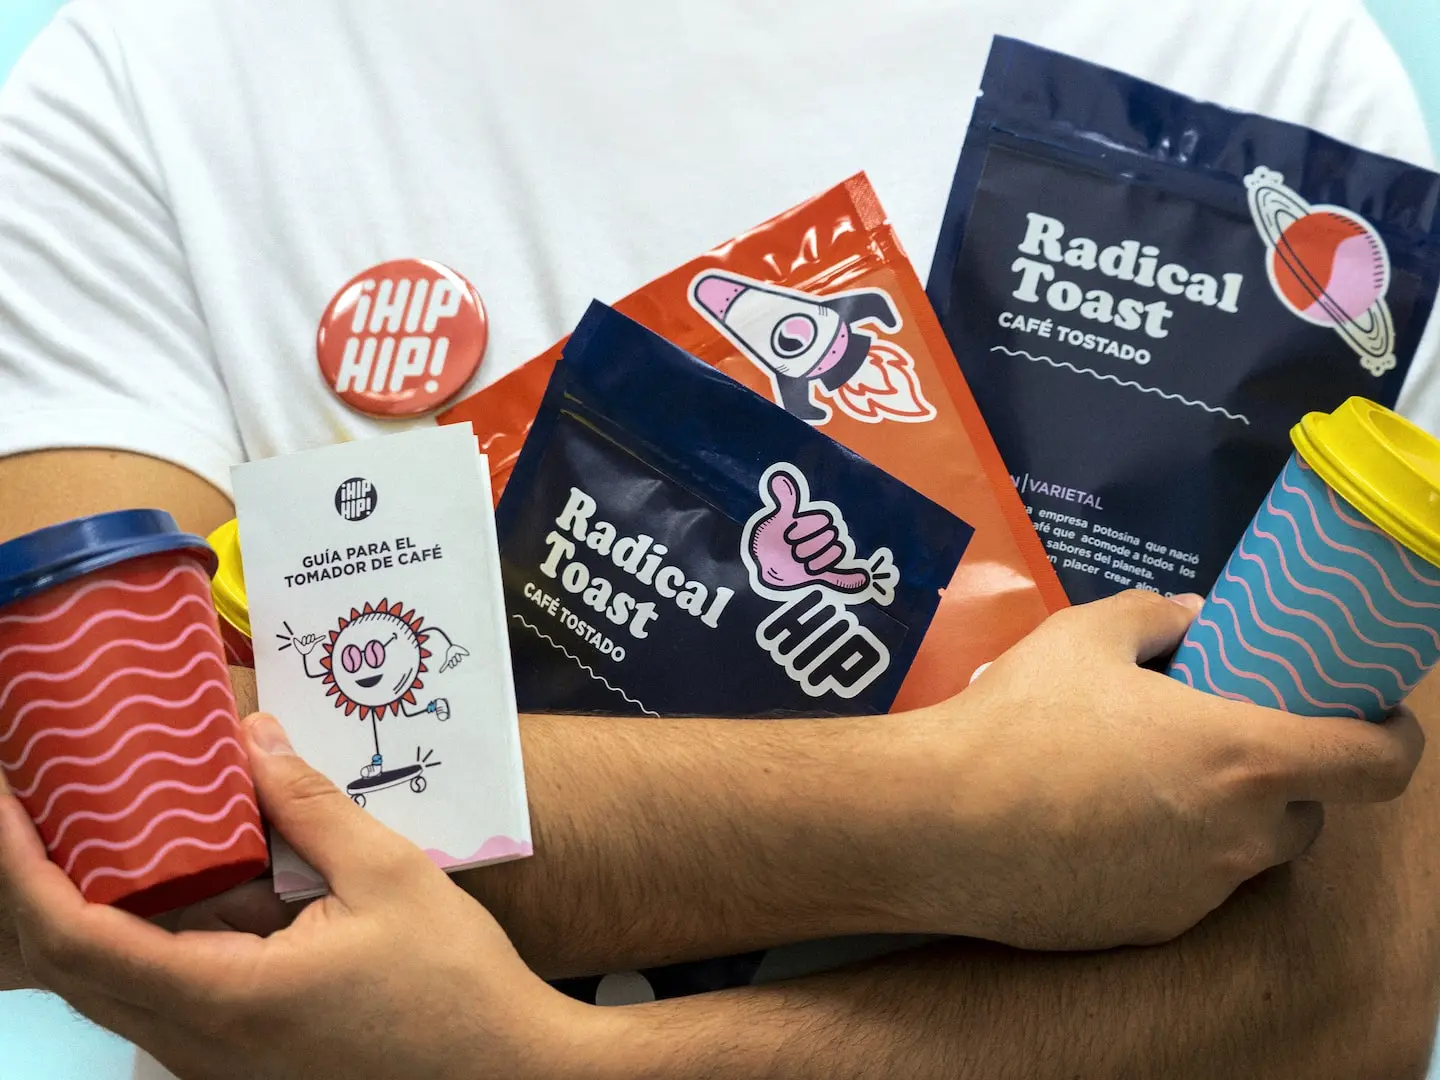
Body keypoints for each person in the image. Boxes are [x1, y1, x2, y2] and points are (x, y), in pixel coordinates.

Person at [0, 0, 1437, 1077]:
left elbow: (1351, 991)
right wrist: (950, 818)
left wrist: (559, 1064)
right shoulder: (150, 76)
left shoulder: (1256, 59)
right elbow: (118, 838)